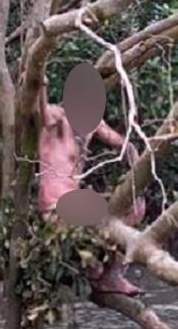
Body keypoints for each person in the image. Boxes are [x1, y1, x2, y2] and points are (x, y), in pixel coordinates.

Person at [36, 80, 146, 295]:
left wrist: (137, 170)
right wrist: (41, 85)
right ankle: (94, 267)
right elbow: (42, 111)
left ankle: (111, 273)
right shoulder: (57, 118)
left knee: (136, 208)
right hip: (54, 207)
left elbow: (125, 145)